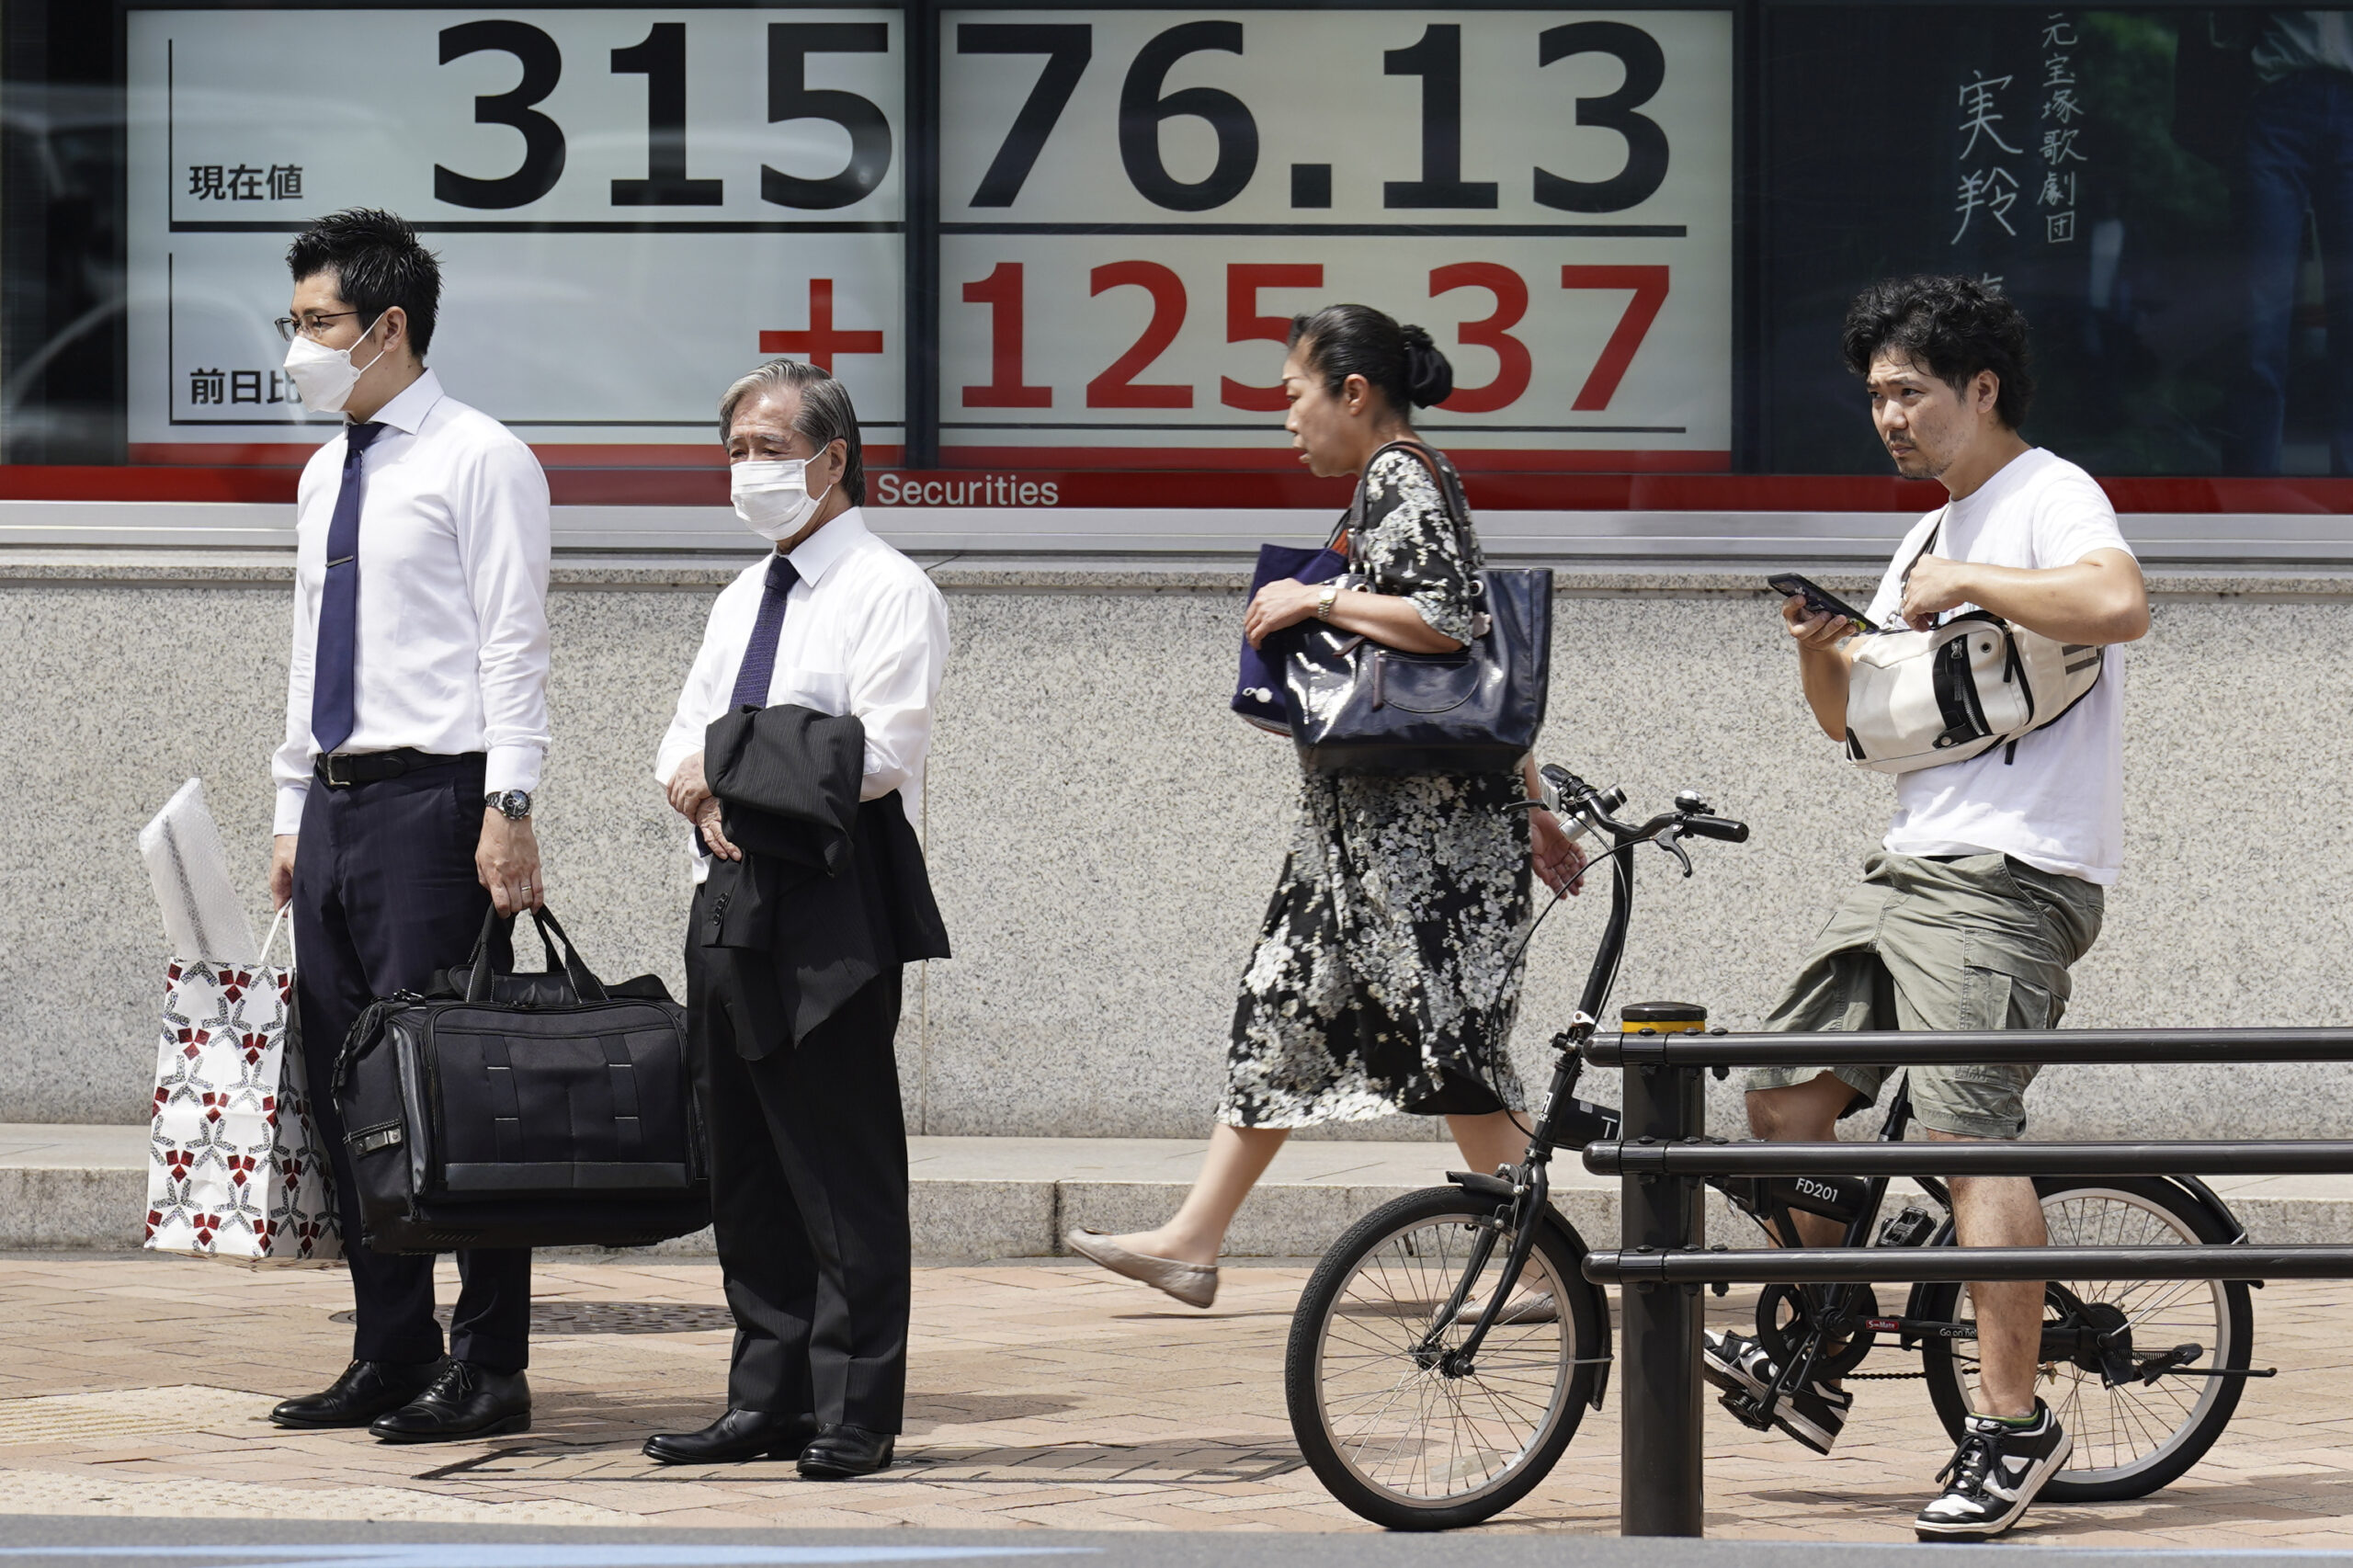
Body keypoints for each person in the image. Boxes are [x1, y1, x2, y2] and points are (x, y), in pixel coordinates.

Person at [1711, 275, 2149, 1541]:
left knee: (1972, 1140)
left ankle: (2013, 1427)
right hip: (1913, 862)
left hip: (2015, 875)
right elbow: (1863, 725)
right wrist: (1817, 648)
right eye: (1875, 397)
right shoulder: (1925, 532)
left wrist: (1977, 578)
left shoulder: (2046, 494)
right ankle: (1838, 1311)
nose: (1887, 416)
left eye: (1909, 392)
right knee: (1784, 1099)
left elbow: (2119, 606)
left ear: (1982, 389)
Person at [1064, 305, 1586, 1309]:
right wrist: (1532, 806)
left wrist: (1317, 599)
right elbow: (1482, 685)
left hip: (1423, 851)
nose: (1286, 420)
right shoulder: (1390, 483)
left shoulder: (1398, 473)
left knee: (1456, 1049)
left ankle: (1533, 1254)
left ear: (1354, 392)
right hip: (1367, 841)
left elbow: (1448, 624)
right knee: (1282, 1012)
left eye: (1295, 395)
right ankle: (1193, 1238)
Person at [263, 209, 550, 1443]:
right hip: (334, 805)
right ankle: (391, 1346)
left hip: (438, 803)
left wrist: (510, 806)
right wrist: (288, 805)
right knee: (345, 1089)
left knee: (456, 1091)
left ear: (388, 327)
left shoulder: (482, 457)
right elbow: (305, 649)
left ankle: (490, 1362)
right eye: (294, 323)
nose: (299, 346)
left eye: (318, 323)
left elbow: (515, 642)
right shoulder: (329, 466)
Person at [643, 359, 950, 1480]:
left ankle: (854, 1405)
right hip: (724, 891)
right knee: (747, 1158)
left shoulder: (887, 588)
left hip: (831, 896)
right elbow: (677, 737)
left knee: (841, 1158)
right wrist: (708, 777)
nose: (749, 470)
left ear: (833, 457)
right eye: (734, 450)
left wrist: (728, 764)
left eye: (770, 448)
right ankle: (763, 1392)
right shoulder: (740, 597)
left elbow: (874, 752)